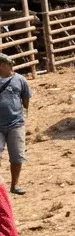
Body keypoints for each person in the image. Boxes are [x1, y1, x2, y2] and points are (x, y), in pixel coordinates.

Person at [0, 56, 28, 197]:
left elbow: (26, 100)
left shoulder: (20, 80)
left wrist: (22, 117)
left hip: (16, 124)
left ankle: (14, 185)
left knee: (17, 157)